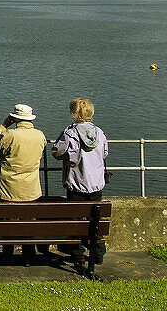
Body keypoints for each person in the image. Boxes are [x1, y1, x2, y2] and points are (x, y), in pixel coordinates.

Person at [0, 103, 48, 257]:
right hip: (31, 190)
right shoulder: (40, 135)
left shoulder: (11, 135)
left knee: (9, 224)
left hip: (9, 189)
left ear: (15, 118)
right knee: (28, 223)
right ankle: (28, 253)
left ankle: (7, 254)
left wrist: (4, 125)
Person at [52, 97, 109, 263]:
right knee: (95, 220)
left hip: (76, 183)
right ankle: (98, 253)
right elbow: (105, 153)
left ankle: (77, 254)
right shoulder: (100, 133)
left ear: (74, 114)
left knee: (75, 221)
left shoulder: (70, 134)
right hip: (96, 184)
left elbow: (56, 152)